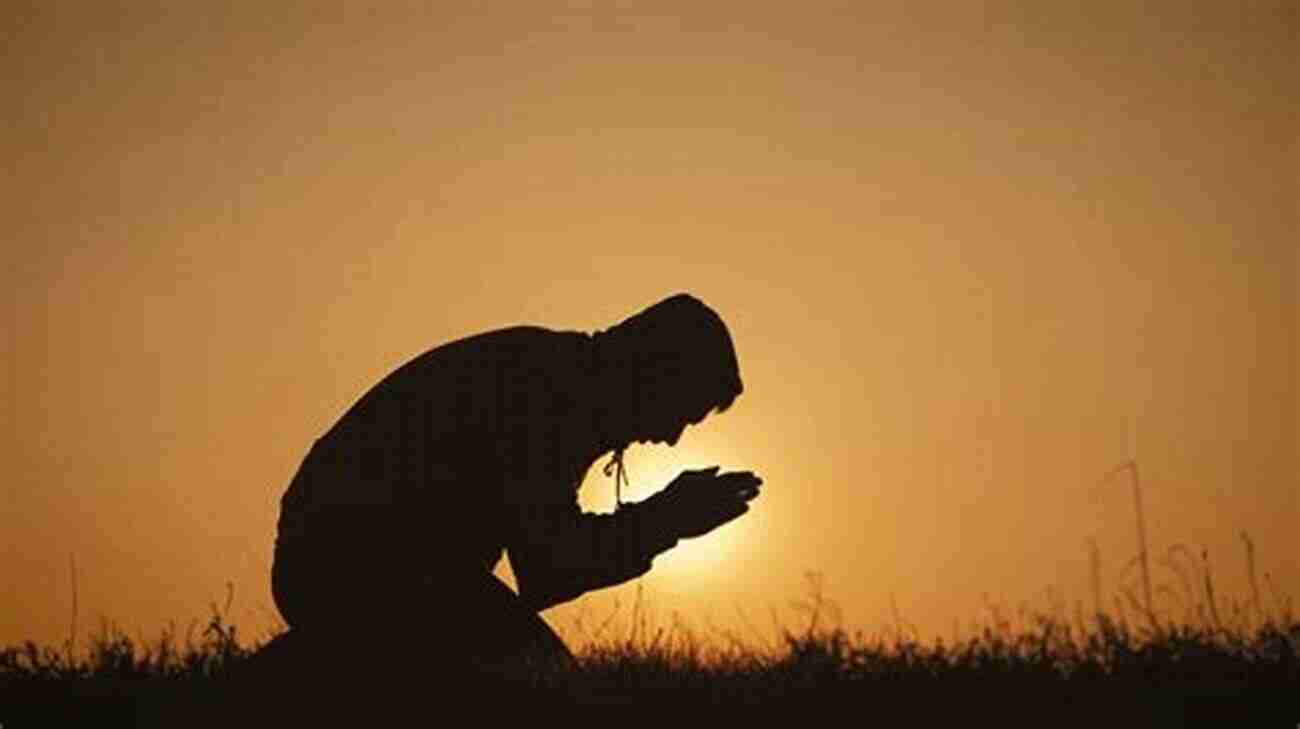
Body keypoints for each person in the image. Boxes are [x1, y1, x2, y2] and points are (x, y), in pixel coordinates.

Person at [267, 292, 762, 677]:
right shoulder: (545, 390)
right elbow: (550, 566)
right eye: (680, 411)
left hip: (382, 571)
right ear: (653, 373)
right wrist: (667, 518)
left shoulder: (561, 379)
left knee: (509, 670)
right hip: (354, 563)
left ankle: (306, 662)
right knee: (540, 683)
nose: (671, 437)